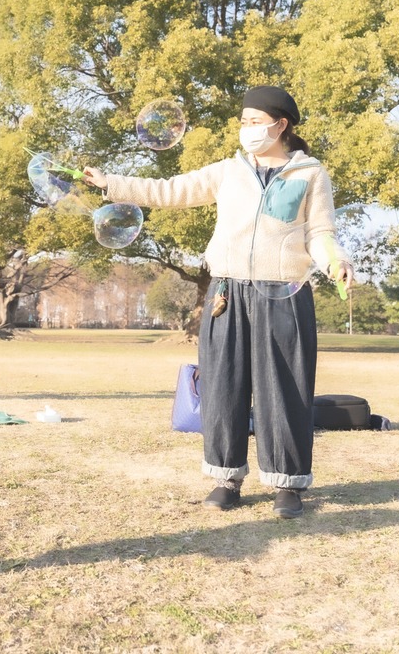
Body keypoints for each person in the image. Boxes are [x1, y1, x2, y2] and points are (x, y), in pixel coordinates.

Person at [83, 86, 355, 519]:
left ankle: (286, 484)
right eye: (243, 121)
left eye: (254, 121)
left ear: (280, 125)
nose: (246, 129)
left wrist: (335, 262)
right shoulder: (228, 171)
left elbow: (320, 232)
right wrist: (110, 183)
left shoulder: (310, 174)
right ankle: (226, 479)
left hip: (284, 294)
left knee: (285, 390)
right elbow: (169, 190)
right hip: (227, 294)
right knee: (224, 385)